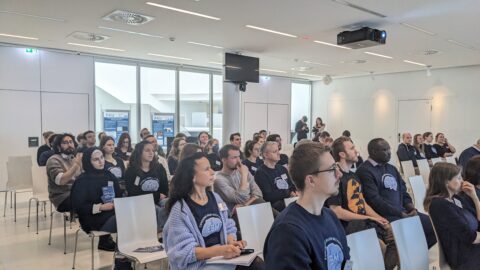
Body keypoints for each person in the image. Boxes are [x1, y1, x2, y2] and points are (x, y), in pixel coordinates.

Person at [163, 152, 265, 270]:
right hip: (200, 265)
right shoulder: (180, 210)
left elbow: (228, 224)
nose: (212, 172)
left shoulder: (215, 198)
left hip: (220, 258)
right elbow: (184, 252)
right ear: (192, 176)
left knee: (257, 263)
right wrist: (220, 250)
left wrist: (231, 241)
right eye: (207, 169)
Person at [264, 142, 350, 269]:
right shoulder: (288, 232)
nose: (340, 174)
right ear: (311, 180)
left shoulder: (330, 216)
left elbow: (346, 263)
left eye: (337, 167)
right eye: (332, 169)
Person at [329, 137, 398, 269]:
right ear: (342, 154)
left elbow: (363, 203)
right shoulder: (335, 176)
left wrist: (378, 218)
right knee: (380, 247)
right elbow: (336, 211)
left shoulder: (354, 176)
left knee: (398, 238)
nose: (357, 151)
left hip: (363, 223)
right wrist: (368, 217)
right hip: (348, 227)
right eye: (352, 148)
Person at [356, 138, 436, 248]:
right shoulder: (365, 170)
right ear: (374, 151)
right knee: (411, 231)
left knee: (433, 227)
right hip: (385, 216)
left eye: (389, 149)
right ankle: (408, 257)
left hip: (401, 213)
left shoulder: (391, 168)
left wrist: (411, 208)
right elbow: (374, 200)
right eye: (385, 149)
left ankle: (416, 254)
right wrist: (400, 214)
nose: (389, 152)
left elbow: (403, 191)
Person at [424, 162, 480, 269]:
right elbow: (470, 237)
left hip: (472, 250)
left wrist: (475, 198)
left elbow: (478, 224)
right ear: (446, 181)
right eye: (458, 178)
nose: (463, 181)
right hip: (464, 258)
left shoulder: (455, 199)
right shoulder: (439, 205)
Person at [71, 147, 121, 251]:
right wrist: (101, 207)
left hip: (111, 213)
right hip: (91, 218)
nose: (100, 161)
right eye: (96, 159)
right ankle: (119, 246)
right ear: (88, 162)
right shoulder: (82, 180)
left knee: (127, 214)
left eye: (102, 157)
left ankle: (118, 243)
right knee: (124, 218)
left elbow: (119, 195)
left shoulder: (109, 175)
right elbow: (79, 208)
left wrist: (116, 203)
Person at [125, 141, 169, 229]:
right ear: (139, 152)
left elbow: (164, 190)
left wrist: (158, 196)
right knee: (156, 209)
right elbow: (133, 193)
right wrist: (156, 195)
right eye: (147, 150)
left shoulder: (159, 168)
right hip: (140, 202)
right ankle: (158, 233)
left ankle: (165, 232)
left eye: (152, 150)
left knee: (170, 204)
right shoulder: (132, 170)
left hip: (158, 200)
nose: (151, 153)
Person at [214, 144, 264, 212]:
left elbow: (258, 194)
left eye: (239, 157)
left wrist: (246, 205)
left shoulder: (243, 170)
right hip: (234, 214)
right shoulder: (218, 179)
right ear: (224, 160)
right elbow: (241, 199)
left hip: (248, 208)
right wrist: (244, 175)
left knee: (260, 202)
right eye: (234, 157)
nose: (238, 161)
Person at [255, 141, 297, 212]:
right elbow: (268, 196)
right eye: (274, 151)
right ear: (266, 155)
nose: (278, 153)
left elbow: (291, 186)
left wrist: (294, 191)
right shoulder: (261, 173)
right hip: (275, 206)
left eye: (278, 150)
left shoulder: (282, 168)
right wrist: (288, 192)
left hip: (288, 200)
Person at [46, 133, 83, 212]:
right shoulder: (53, 160)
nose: (69, 144)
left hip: (77, 192)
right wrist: (76, 164)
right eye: (65, 143)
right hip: (62, 198)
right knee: (89, 201)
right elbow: (61, 181)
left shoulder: (74, 158)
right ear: (58, 146)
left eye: (71, 142)